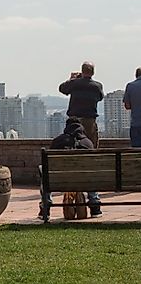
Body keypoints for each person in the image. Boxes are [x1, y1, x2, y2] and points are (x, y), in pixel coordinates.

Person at [58, 61, 104, 216]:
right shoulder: (97, 86)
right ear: (93, 72)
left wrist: (72, 80)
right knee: (91, 159)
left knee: (72, 158)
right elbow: (99, 98)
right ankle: (95, 203)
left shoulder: (75, 84)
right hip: (90, 123)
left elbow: (62, 89)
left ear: (82, 71)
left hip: (74, 123)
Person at [39, 122, 95, 219]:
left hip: (59, 180)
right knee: (93, 173)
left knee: (43, 171)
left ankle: (45, 209)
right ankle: (95, 206)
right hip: (84, 181)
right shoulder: (88, 143)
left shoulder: (57, 141)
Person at [124, 67, 141, 147]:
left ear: (136, 75)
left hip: (136, 124)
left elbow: (127, 106)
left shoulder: (130, 86)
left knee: (136, 150)